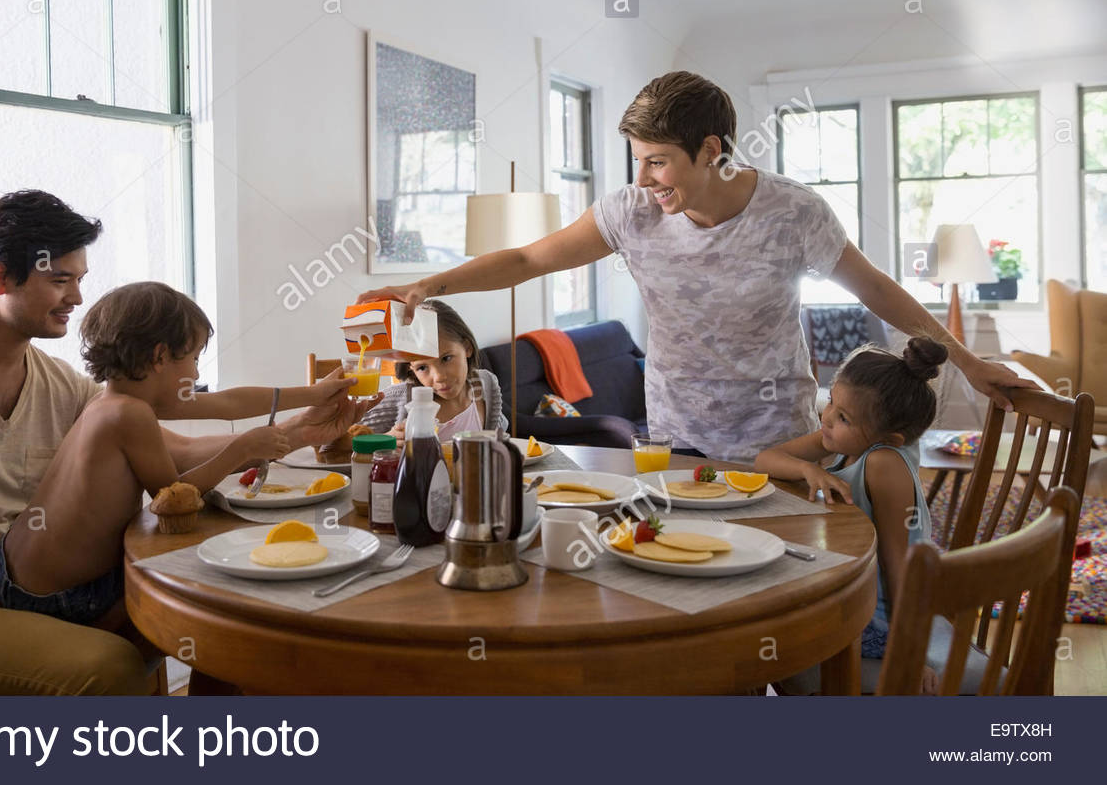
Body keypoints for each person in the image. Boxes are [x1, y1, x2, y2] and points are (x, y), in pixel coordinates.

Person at [0, 190, 371, 696]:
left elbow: (173, 446)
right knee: (110, 669)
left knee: (226, 624)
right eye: (61, 280)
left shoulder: (58, 383)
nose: (77, 296)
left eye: (80, 278)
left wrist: (290, 434)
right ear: (1, 278)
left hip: (23, 591)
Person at [358, 71, 1032, 463]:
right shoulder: (631, 212)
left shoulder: (793, 214)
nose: (644, 178)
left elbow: (879, 290)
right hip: (676, 438)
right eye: (638, 159)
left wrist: (968, 364)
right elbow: (532, 257)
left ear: (710, 149)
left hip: (782, 438)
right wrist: (432, 284)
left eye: (658, 160)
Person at [0, 281, 366, 631]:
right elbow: (172, 500)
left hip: (16, 570)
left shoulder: (114, 401)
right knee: (214, 609)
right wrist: (242, 449)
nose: (196, 371)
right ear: (160, 356)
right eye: (193, 357)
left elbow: (229, 403)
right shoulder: (130, 414)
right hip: (61, 598)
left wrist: (314, 394)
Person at [755, 337, 946, 693]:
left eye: (843, 417)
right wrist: (809, 470)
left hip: (875, 620)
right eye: (831, 402)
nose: (826, 417)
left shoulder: (883, 463)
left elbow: (900, 565)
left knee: (758, 632)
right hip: (850, 592)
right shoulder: (841, 436)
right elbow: (765, 460)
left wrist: (913, 654)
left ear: (889, 438)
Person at [359, 300, 508, 439]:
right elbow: (344, 441)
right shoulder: (401, 398)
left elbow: (499, 436)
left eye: (446, 359)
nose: (439, 377)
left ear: (467, 348)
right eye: (422, 367)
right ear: (410, 368)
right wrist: (386, 440)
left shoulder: (485, 384)